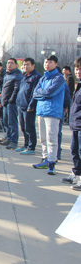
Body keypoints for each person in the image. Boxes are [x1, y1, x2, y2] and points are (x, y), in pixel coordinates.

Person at [31, 55, 65, 175]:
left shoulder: (59, 78)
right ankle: (45, 159)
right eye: (46, 62)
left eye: (50, 62)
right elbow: (35, 93)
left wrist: (43, 93)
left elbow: (51, 92)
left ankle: (52, 163)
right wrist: (43, 93)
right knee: (43, 138)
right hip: (41, 111)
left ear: (56, 64)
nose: (47, 64)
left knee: (52, 139)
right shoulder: (43, 78)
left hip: (52, 112)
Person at [16, 58, 41, 154]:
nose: (26, 66)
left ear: (33, 65)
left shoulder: (36, 77)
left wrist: (31, 106)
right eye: (24, 65)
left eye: (28, 65)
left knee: (29, 127)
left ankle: (31, 147)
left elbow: (35, 93)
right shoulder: (25, 76)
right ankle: (25, 145)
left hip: (29, 107)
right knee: (23, 127)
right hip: (21, 105)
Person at [63, 58, 81, 189]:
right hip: (76, 124)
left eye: (80, 69)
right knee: (74, 151)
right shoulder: (78, 85)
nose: (78, 71)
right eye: (77, 68)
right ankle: (76, 174)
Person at [0, 58, 23, 149]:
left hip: (11, 103)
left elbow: (16, 90)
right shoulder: (7, 75)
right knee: (6, 122)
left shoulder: (17, 75)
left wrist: (10, 101)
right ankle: (8, 137)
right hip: (5, 102)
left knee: (12, 122)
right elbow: (4, 89)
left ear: (16, 65)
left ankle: (13, 140)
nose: (9, 64)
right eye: (8, 63)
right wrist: (1, 100)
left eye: (11, 63)